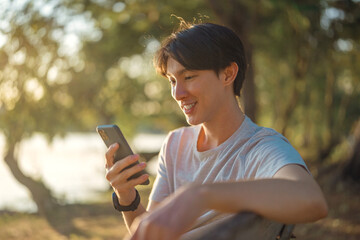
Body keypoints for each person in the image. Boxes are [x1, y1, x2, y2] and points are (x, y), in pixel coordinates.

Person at [104, 20, 328, 240]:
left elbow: (312, 200)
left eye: (189, 77)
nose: (177, 93)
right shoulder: (175, 144)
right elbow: (153, 231)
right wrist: (127, 196)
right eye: (172, 81)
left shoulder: (261, 147)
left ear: (228, 74)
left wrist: (199, 195)